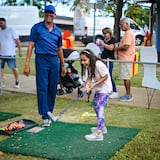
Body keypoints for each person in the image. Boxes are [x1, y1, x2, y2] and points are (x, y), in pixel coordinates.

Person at [24, 5, 66, 127]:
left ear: (54, 15)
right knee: (42, 87)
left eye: (51, 13)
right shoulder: (37, 28)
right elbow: (31, 46)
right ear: (44, 14)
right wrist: (27, 64)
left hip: (54, 60)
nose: (49, 15)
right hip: (41, 59)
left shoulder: (58, 31)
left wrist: (63, 65)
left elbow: (60, 49)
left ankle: (49, 111)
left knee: (52, 87)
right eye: (47, 13)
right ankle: (44, 115)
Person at [80, 49, 112, 141]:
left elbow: (105, 76)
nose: (83, 62)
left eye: (84, 60)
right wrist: (87, 85)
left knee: (100, 107)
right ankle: (102, 127)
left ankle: (99, 134)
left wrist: (94, 85)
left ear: (90, 58)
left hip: (105, 89)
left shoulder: (98, 64)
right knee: (95, 106)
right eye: (81, 60)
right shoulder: (90, 65)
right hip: (99, 89)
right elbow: (90, 77)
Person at [115, 17, 135, 102]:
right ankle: (128, 94)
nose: (120, 26)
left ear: (127, 24)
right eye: (119, 24)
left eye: (121, 24)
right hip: (125, 58)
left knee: (126, 77)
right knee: (125, 77)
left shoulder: (128, 33)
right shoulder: (128, 33)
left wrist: (117, 48)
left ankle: (128, 95)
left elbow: (126, 46)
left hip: (126, 58)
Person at [0, 17, 22, 88]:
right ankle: (2, 82)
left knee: (14, 68)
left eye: (1, 23)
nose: (0, 25)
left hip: (10, 54)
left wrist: (20, 51)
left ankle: (17, 81)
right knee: (1, 69)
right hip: (1, 54)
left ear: (5, 22)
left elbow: (17, 41)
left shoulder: (11, 30)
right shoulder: (0, 32)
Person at [100, 27, 118, 99]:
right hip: (104, 60)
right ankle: (107, 90)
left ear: (110, 33)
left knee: (109, 75)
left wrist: (103, 44)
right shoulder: (105, 40)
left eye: (106, 33)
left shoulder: (113, 40)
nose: (105, 35)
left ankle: (115, 91)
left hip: (109, 60)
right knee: (104, 75)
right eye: (104, 34)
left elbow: (111, 48)